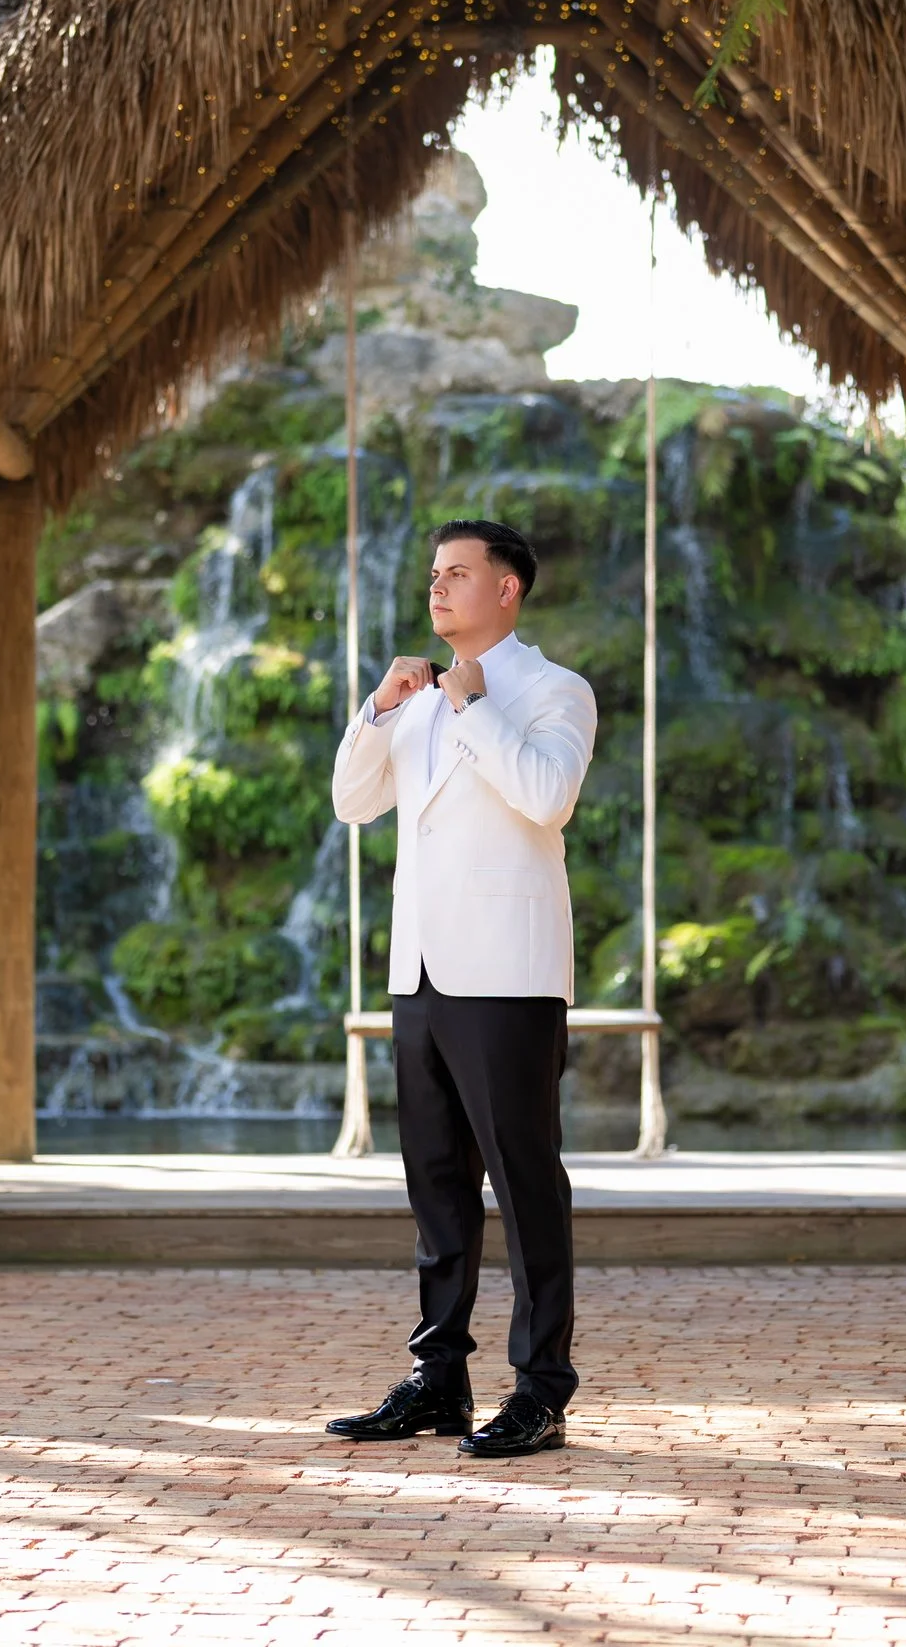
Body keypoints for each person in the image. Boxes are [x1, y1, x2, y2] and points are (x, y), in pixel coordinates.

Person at [324, 518, 599, 1458]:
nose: (437, 588)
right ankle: (438, 1379)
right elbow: (352, 803)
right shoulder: (420, 700)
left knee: (526, 1187)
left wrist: (476, 707)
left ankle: (542, 1390)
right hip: (422, 972)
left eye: (457, 574)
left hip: (511, 977)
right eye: (433, 573)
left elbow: (547, 797)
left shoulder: (555, 691)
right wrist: (381, 707)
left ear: (508, 589)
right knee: (436, 1190)